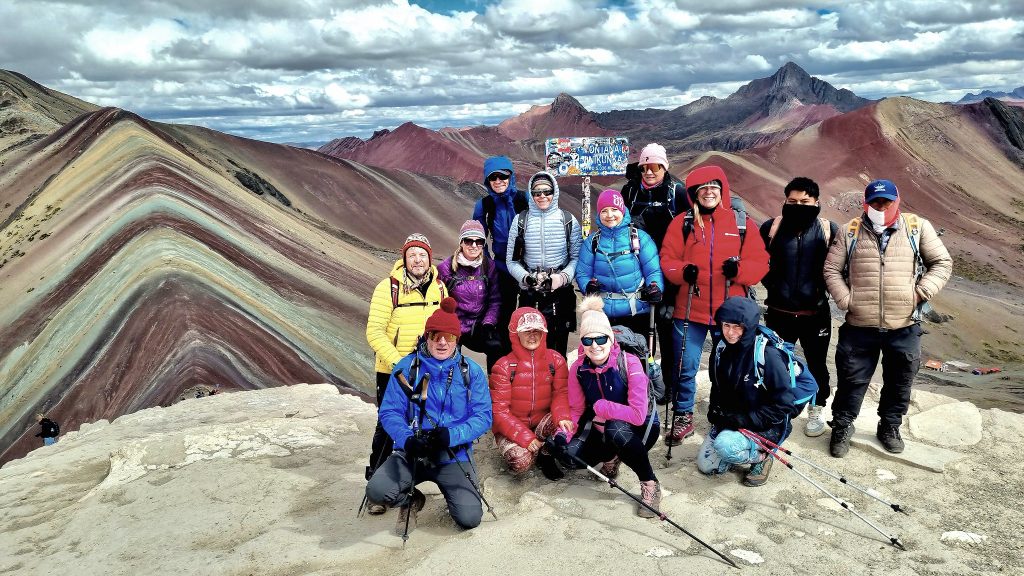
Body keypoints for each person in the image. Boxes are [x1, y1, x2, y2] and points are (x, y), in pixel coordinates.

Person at [823, 179, 951, 457]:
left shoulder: (917, 228)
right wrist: (846, 300)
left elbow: (942, 263)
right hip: (859, 325)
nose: (881, 207)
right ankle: (842, 426)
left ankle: (889, 426)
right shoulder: (850, 231)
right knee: (851, 379)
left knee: (900, 380)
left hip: (903, 325)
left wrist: (921, 292)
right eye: (875, 202)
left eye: (886, 201)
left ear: (897, 201)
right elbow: (832, 269)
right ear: (866, 204)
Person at [660, 165, 769, 445]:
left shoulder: (741, 223)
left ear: (722, 191)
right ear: (694, 193)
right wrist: (683, 272)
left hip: (731, 313)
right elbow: (668, 259)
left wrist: (739, 271)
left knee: (732, 369)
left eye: (714, 187)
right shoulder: (682, 223)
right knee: (685, 365)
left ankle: (725, 414)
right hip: (690, 310)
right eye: (703, 188)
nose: (709, 192)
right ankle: (683, 416)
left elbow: (760, 262)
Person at [366, 298, 493, 534]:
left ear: (457, 339)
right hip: (412, 451)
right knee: (377, 492)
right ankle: (411, 500)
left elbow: (483, 417)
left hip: (452, 453)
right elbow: (390, 412)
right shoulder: (407, 368)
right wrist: (407, 440)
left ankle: (457, 493)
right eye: (436, 335)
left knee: (469, 518)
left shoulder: (471, 372)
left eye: (450, 336)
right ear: (427, 336)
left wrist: (452, 435)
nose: (442, 342)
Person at [553, 296, 662, 517]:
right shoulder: (578, 369)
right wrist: (563, 432)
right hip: (603, 426)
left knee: (616, 430)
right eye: (588, 340)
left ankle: (650, 483)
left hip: (641, 429)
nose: (595, 346)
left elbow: (638, 415)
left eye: (601, 339)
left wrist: (602, 407)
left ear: (611, 339)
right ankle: (612, 458)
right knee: (570, 457)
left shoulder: (629, 363)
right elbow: (575, 411)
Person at [364, 233, 448, 512]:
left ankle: (426, 476)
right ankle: (377, 485)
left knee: (428, 420)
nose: (418, 259)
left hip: (428, 369)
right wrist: (400, 363)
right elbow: (374, 332)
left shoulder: (440, 288)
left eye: (422, 254)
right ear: (404, 258)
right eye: (412, 254)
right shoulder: (387, 288)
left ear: (429, 257)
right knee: (388, 426)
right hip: (392, 370)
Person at [759, 177, 839, 437]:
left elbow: (839, 267)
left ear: (816, 202)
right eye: (792, 201)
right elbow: (759, 262)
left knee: (816, 363)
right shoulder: (771, 227)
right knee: (778, 364)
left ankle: (817, 407)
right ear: (785, 201)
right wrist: (773, 284)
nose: (798, 205)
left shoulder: (829, 230)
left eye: (805, 201)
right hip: (779, 313)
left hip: (815, 313)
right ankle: (779, 407)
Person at [620, 143, 689, 419]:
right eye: (645, 167)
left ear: (664, 167)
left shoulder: (678, 193)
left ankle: (669, 387)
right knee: (638, 333)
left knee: (667, 330)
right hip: (637, 273)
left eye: (655, 167)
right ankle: (640, 383)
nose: (649, 172)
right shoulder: (630, 191)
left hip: (669, 274)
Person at [697, 297, 796, 487]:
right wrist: (716, 412)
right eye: (726, 326)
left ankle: (763, 457)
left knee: (725, 446)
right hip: (733, 419)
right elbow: (716, 385)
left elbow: (785, 405)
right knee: (707, 466)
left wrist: (744, 420)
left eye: (737, 327)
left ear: (748, 326)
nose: (730, 333)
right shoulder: (720, 348)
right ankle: (736, 446)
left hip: (766, 425)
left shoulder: (767, 355)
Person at [489, 307, 571, 480]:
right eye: (526, 331)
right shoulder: (503, 366)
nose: (532, 336)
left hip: (542, 421)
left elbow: (561, 394)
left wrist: (562, 416)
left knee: (564, 422)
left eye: (537, 331)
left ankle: (546, 455)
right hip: (515, 423)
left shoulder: (555, 360)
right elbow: (499, 412)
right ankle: (532, 450)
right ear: (515, 333)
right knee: (520, 462)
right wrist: (526, 438)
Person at [506, 171, 582, 357]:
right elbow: (512, 260)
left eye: (546, 191)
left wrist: (561, 278)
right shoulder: (520, 221)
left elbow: (577, 258)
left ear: (554, 192)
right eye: (536, 192)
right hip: (530, 293)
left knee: (557, 350)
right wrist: (526, 277)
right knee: (528, 347)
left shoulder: (568, 220)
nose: (542, 196)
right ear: (531, 195)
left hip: (560, 294)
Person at [575, 189, 664, 339]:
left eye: (614, 209)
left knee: (636, 359)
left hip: (636, 312)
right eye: (604, 211)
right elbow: (583, 273)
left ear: (622, 210)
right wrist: (587, 286)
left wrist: (655, 287)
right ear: (599, 214)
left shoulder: (640, 238)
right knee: (603, 357)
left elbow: (653, 271)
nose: (609, 215)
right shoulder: (592, 242)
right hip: (602, 314)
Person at [472, 156, 527, 358]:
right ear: (487, 181)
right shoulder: (484, 205)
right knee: (503, 318)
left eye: (503, 176)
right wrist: (488, 263)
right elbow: (478, 238)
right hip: (502, 267)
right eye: (493, 178)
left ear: (511, 177)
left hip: (527, 267)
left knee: (527, 315)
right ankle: (504, 366)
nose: (498, 181)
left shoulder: (524, 199)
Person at [438, 220, 503, 370]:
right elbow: (437, 300)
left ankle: (494, 389)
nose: (474, 246)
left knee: (497, 346)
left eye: (479, 241)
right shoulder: (445, 268)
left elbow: (495, 300)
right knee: (450, 361)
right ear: (461, 242)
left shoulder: (488, 266)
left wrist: (488, 323)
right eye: (469, 241)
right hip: (454, 325)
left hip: (479, 325)